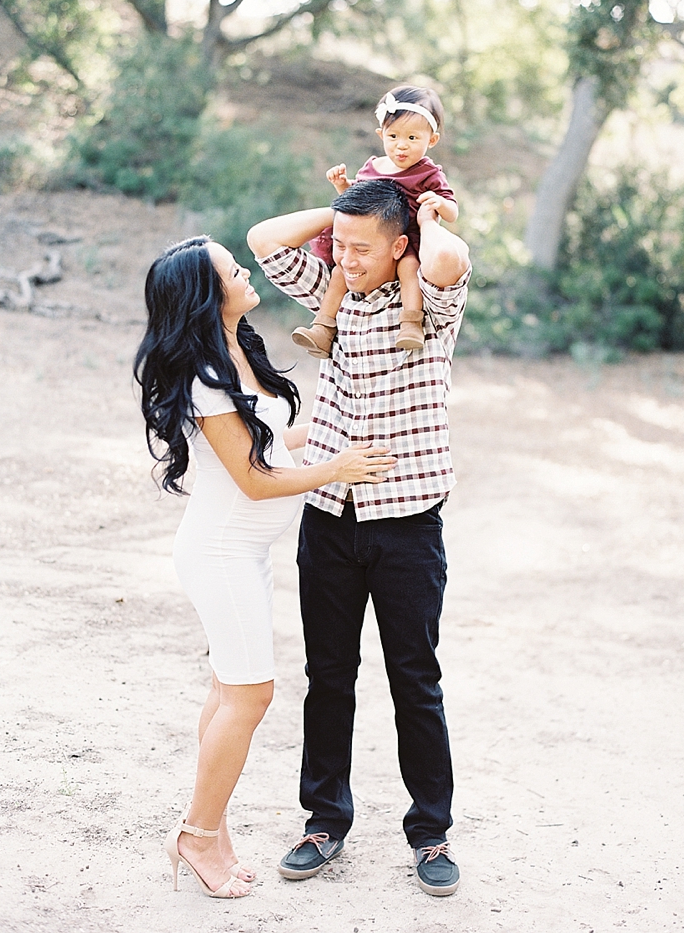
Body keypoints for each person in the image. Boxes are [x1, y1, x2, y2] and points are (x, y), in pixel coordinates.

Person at [133, 236, 396, 900]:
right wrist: (336, 469)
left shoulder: (235, 352)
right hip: (220, 553)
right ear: (208, 294)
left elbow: (273, 440)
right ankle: (196, 834)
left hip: (243, 554)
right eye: (232, 269)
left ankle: (210, 830)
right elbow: (254, 479)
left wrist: (340, 432)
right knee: (250, 695)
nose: (245, 272)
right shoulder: (203, 376)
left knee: (228, 692)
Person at [247, 178, 471, 897]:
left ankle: (430, 832)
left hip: (408, 523)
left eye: (363, 249)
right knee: (328, 676)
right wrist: (347, 211)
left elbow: (448, 262)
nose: (346, 258)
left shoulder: (427, 306)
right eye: (339, 246)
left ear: (401, 245)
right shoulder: (333, 291)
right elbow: (263, 240)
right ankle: (323, 821)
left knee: (416, 680)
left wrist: (418, 209)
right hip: (329, 516)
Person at [291, 84, 458, 357]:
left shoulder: (428, 173)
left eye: (412, 138)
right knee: (339, 272)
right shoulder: (372, 167)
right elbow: (358, 205)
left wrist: (439, 204)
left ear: (432, 140)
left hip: (408, 242)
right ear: (381, 134)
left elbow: (452, 210)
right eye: (393, 136)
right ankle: (322, 328)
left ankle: (411, 323)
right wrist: (342, 185)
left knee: (409, 267)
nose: (401, 145)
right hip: (370, 244)